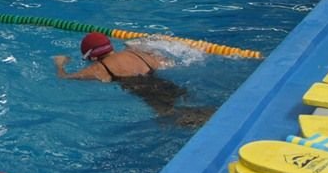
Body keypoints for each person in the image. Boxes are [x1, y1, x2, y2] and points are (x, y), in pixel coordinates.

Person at [52, 33, 211, 128]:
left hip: (143, 89)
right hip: (163, 82)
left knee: (172, 117)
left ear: (92, 57)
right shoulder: (135, 52)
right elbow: (164, 62)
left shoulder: (99, 68)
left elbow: (64, 78)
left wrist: (60, 64)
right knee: (192, 105)